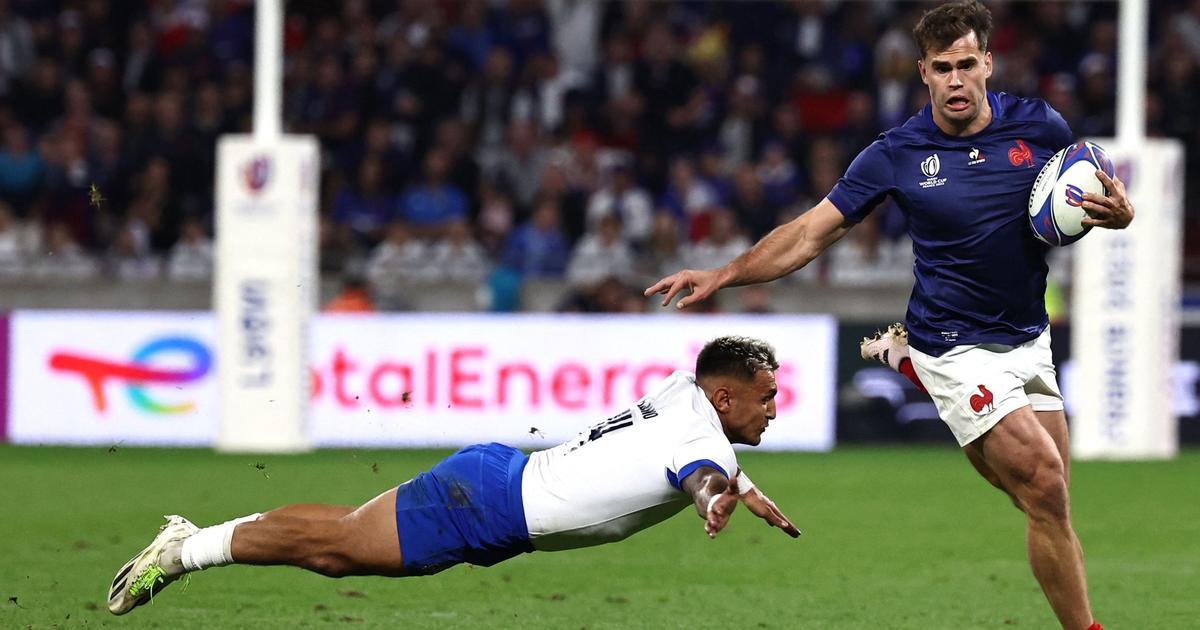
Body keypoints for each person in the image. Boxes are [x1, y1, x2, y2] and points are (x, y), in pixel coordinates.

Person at [645, 3, 1133, 630]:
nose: (955, 80)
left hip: (1027, 336)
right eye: (940, 69)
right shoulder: (897, 153)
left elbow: (1077, 198)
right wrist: (723, 274)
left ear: (987, 63)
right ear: (922, 74)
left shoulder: (1040, 127)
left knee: (1046, 501)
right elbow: (806, 235)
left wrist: (1119, 216)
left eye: (965, 65)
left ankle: (910, 368)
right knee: (1043, 483)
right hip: (954, 343)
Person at [107, 336, 800, 616]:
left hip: (502, 482)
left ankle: (189, 544)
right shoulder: (700, 438)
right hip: (491, 503)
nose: (775, 407)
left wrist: (737, 482)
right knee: (334, 549)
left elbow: (704, 449)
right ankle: (184, 549)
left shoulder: (685, 390)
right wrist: (717, 494)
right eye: (766, 395)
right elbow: (699, 470)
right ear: (724, 399)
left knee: (340, 545)